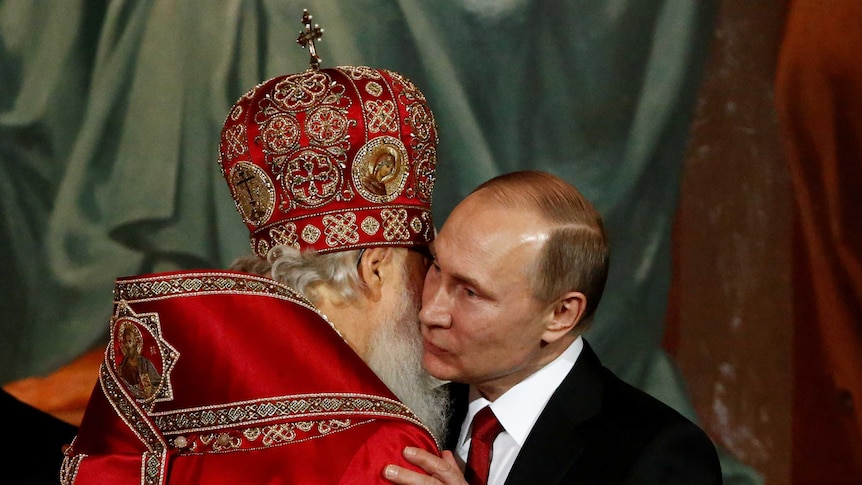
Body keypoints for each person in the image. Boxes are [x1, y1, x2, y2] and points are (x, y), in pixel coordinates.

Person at [61, 9, 448, 484]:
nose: (431, 301)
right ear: (375, 266)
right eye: (426, 265)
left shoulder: (181, 406)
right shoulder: (383, 444)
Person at [383, 170, 722, 484]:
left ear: (561, 314)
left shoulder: (659, 456)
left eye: (470, 292)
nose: (431, 312)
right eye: (437, 268)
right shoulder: (407, 414)